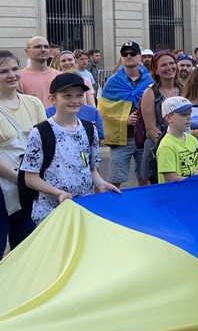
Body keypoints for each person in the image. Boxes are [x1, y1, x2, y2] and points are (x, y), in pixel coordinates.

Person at [22, 73, 120, 225]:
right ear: (53, 99)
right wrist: (58, 193)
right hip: (51, 213)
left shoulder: (90, 129)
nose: (75, 100)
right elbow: (30, 178)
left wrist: (100, 183)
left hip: (83, 210)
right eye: (67, 96)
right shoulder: (40, 132)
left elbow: (91, 169)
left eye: (79, 95)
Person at [0, 50, 46, 249]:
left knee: (25, 247)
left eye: (15, 69)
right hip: (6, 186)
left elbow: (45, 141)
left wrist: (29, 181)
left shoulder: (33, 103)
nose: (11, 75)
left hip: (28, 186)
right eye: (3, 71)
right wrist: (21, 179)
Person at [99, 41, 153, 187]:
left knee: (144, 177)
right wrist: (124, 119)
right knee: (115, 179)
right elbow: (104, 109)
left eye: (132, 53)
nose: (129, 56)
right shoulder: (113, 82)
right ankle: (112, 202)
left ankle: (144, 201)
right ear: (121, 58)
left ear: (139, 56)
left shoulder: (150, 80)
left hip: (145, 137)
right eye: (125, 54)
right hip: (122, 139)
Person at [137, 50, 181, 185]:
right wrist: (172, 147)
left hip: (183, 147)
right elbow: (151, 128)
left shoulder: (184, 90)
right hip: (158, 148)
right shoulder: (150, 93)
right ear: (155, 70)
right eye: (163, 65)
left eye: (172, 63)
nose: (169, 67)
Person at [156, 97, 198, 182]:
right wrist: (194, 180)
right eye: (184, 114)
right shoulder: (167, 146)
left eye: (190, 113)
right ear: (168, 118)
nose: (189, 118)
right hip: (176, 190)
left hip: (191, 188)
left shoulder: (193, 140)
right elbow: (170, 179)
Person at [19, 37, 58, 101]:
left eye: (46, 47)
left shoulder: (59, 75)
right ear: (27, 51)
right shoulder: (19, 77)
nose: (43, 50)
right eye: (38, 47)